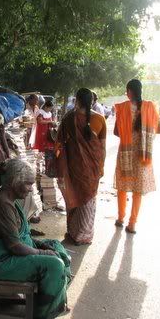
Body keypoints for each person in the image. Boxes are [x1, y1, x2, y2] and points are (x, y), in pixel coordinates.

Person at [0, 159, 72, 319]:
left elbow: (20, 236)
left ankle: (53, 300)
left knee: (57, 247)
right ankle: (41, 318)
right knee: (54, 265)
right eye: (28, 184)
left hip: (9, 254)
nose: (30, 189)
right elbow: (15, 245)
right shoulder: (1, 203)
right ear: (15, 182)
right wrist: (42, 252)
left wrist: (43, 246)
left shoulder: (10, 200)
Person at [56, 88, 107, 245]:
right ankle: (84, 235)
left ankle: (73, 232)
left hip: (73, 166)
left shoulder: (68, 119)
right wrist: (100, 167)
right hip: (93, 168)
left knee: (73, 195)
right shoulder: (100, 119)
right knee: (88, 199)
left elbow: (58, 144)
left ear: (76, 100)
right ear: (92, 101)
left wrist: (60, 163)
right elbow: (102, 147)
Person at [113, 79, 160, 234]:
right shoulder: (150, 107)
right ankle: (132, 223)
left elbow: (116, 132)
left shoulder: (122, 108)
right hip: (143, 154)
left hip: (125, 153)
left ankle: (121, 218)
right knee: (137, 190)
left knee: (122, 186)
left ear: (129, 91)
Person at [33, 101, 57, 176]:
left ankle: (44, 164)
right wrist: (50, 121)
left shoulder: (49, 113)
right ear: (46, 107)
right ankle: (38, 165)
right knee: (41, 148)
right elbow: (40, 121)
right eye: (49, 108)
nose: (50, 110)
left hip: (48, 132)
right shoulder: (40, 112)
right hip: (41, 132)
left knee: (47, 148)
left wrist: (53, 123)